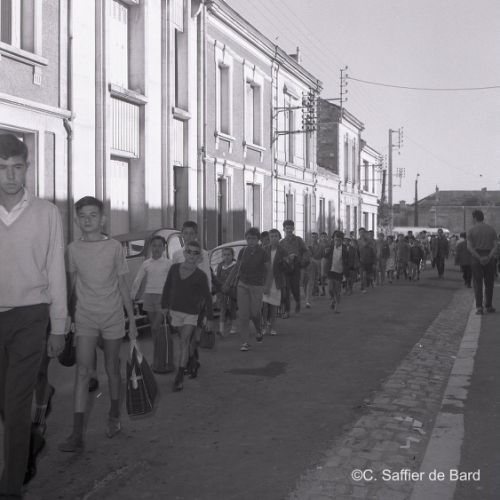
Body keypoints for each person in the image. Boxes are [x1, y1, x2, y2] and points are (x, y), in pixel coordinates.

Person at [0, 134, 67, 497]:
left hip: (30, 317)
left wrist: (59, 326)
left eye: (17, 167)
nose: (10, 176)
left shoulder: (46, 213)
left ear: (27, 167)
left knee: (16, 403)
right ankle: (31, 441)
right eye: (2, 168)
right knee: (5, 404)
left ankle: (11, 489)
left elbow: (56, 269)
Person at [58, 196, 138, 453]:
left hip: (113, 316)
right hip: (85, 317)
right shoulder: (72, 249)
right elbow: (70, 286)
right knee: (83, 372)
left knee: (112, 368)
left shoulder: (114, 247)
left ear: (102, 219)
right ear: (76, 220)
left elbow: (123, 285)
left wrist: (132, 320)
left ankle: (114, 416)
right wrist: (65, 316)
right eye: (83, 216)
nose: (88, 220)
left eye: (93, 215)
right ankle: (76, 434)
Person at [162, 241, 214, 390]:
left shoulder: (201, 276)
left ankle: (179, 378)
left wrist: (210, 318)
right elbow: (167, 287)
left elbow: (208, 298)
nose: (192, 255)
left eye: (195, 253)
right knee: (186, 340)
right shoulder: (174, 268)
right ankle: (192, 361)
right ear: (184, 253)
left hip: (191, 314)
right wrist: (164, 305)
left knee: (183, 341)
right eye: (189, 251)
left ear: (199, 257)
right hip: (174, 312)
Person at [172, 221, 212, 377]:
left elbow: (207, 276)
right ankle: (191, 358)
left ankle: (192, 362)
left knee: (193, 333)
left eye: (191, 233)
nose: (188, 236)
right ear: (182, 234)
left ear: (196, 235)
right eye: (185, 233)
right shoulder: (177, 254)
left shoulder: (203, 254)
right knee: (183, 335)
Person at [131, 235, 172, 373]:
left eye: (160, 246)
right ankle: (158, 360)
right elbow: (138, 279)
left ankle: (161, 359)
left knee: (156, 327)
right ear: (150, 247)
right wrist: (133, 295)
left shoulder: (168, 263)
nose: (156, 248)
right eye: (154, 245)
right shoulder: (146, 263)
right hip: (148, 297)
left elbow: (173, 282)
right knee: (154, 331)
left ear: (164, 248)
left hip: (163, 298)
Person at [235, 228, 272, 351]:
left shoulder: (263, 253)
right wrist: (227, 283)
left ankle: (258, 329)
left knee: (255, 313)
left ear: (258, 240)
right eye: (249, 238)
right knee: (243, 314)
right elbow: (236, 268)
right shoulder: (243, 251)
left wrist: (267, 286)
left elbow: (269, 271)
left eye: (254, 239)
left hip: (257, 286)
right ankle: (245, 341)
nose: (251, 241)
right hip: (242, 284)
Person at [467, 210, 498, 315]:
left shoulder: (471, 230)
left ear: (475, 218)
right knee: (489, 282)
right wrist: (488, 257)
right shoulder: (491, 229)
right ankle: (489, 305)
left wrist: (479, 257)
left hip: (476, 257)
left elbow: (469, 247)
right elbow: (495, 246)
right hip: (489, 256)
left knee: (477, 283)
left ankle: (479, 307)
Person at [278, 220, 309, 317]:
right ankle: (287, 311)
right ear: (284, 229)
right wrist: (286, 259)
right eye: (287, 228)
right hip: (286, 268)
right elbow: (279, 256)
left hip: (296, 267)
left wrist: (302, 260)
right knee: (286, 290)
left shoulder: (298, 240)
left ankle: (297, 301)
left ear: (293, 229)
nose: (289, 230)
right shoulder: (281, 243)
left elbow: (305, 251)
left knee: (295, 288)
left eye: (290, 228)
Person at [262, 229, 287, 336]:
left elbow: (287, 268)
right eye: (271, 236)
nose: (273, 238)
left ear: (279, 237)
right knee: (264, 305)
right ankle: (264, 326)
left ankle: (273, 327)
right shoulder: (264, 250)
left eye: (276, 236)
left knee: (273, 306)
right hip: (265, 281)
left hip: (277, 281)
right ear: (269, 238)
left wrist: (286, 262)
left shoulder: (283, 251)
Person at [324, 231, 349, 313]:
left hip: (339, 272)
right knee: (330, 289)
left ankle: (336, 308)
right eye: (335, 240)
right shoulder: (330, 248)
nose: (337, 241)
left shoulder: (345, 249)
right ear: (333, 240)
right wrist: (326, 253)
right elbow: (326, 257)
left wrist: (346, 273)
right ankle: (333, 300)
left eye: (339, 240)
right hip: (331, 270)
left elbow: (347, 261)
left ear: (342, 240)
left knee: (337, 290)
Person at [215, 247, 238, 336]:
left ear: (232, 255)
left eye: (228, 254)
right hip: (222, 291)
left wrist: (230, 286)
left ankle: (234, 326)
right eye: (224, 255)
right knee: (223, 309)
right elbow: (217, 278)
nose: (226, 256)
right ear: (222, 256)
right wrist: (218, 290)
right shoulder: (220, 265)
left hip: (232, 291)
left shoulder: (235, 265)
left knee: (232, 309)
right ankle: (221, 330)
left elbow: (236, 278)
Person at [305, 232, 323, 307]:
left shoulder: (321, 246)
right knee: (311, 282)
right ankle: (308, 300)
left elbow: (322, 256)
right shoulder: (308, 246)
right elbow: (309, 256)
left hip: (319, 265)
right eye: (313, 237)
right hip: (311, 265)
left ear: (317, 238)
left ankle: (316, 292)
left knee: (316, 280)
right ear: (311, 238)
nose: (314, 238)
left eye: (315, 237)